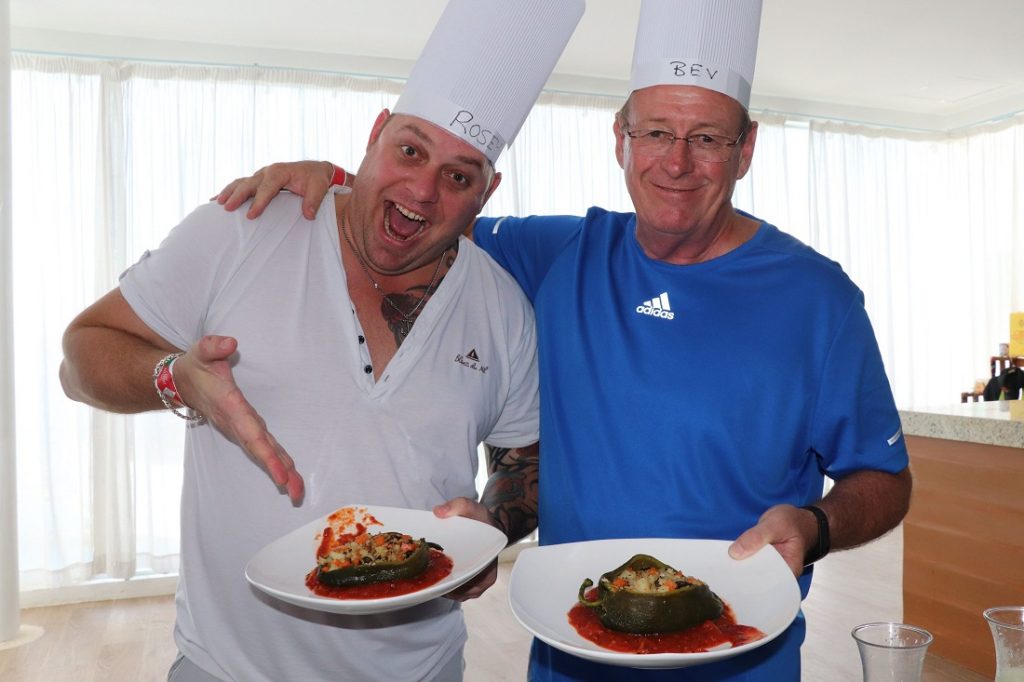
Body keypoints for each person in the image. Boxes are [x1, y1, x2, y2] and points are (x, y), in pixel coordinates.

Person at [216, 0, 912, 679]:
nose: (676, 163)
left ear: (746, 148)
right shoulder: (559, 252)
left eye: (707, 137)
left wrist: (815, 526)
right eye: (655, 133)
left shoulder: (817, 297)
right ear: (620, 138)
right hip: (572, 649)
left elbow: (884, 478)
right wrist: (336, 182)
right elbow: (429, 209)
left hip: (744, 651)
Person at [58, 1, 584, 681]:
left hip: (420, 670)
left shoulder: (503, 307)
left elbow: (523, 453)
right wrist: (174, 379)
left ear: (487, 191)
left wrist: (492, 522)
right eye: (410, 149)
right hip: (229, 668)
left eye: (458, 175)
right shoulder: (243, 230)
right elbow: (80, 357)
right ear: (374, 135)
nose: (421, 191)